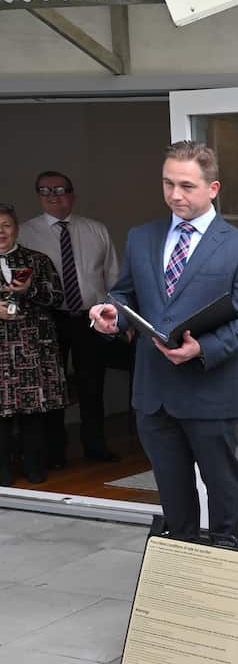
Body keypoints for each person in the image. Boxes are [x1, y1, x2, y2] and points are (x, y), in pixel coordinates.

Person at [90, 141, 238, 544]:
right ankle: (180, 568)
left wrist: (202, 349)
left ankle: (222, 564)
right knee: (173, 498)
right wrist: (113, 315)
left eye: (187, 186)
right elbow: (125, 294)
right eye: (168, 183)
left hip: (211, 393)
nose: (175, 194)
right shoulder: (142, 237)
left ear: (213, 188)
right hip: (154, 394)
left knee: (222, 492)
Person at [22, 171, 120, 466]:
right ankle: (55, 453)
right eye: (44, 190)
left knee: (92, 384)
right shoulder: (25, 233)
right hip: (48, 320)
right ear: (38, 196)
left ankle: (96, 447)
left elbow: (113, 278)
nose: (52, 195)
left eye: (59, 189)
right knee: (53, 386)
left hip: (91, 318)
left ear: (72, 195)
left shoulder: (96, 230)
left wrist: (117, 316)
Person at [0, 205, 67, 485]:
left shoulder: (37, 260)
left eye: (6, 225)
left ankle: (35, 469)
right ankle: (3, 474)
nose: (1, 232)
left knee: (33, 413)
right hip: (2, 351)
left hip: (32, 347)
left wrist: (31, 290)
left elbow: (57, 297)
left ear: (17, 228)